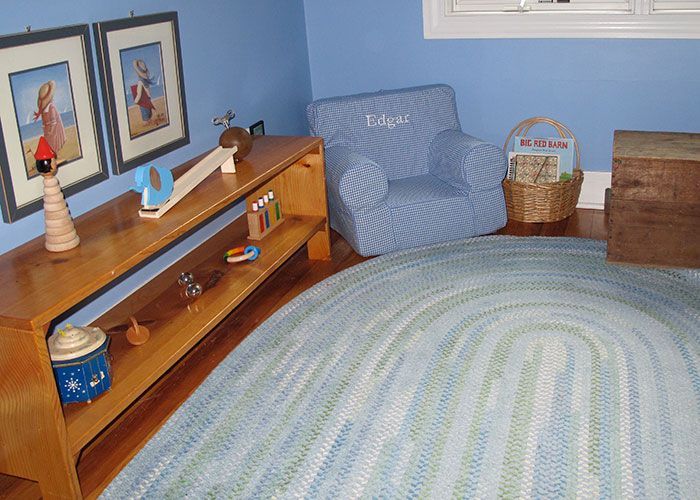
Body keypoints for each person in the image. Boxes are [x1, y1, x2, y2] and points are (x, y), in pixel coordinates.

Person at [33, 80, 66, 155]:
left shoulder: (51, 107)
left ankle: (55, 153)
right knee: (47, 142)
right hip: (47, 129)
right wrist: (44, 128)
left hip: (53, 129)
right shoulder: (44, 110)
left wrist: (51, 130)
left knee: (53, 141)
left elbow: (54, 122)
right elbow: (44, 122)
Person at [131, 59, 156, 124]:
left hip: (145, 99)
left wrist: (136, 100)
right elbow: (142, 92)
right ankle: (147, 120)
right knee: (147, 111)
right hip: (146, 99)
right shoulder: (143, 80)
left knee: (147, 111)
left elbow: (141, 92)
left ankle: (147, 120)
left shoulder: (143, 80)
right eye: (142, 65)